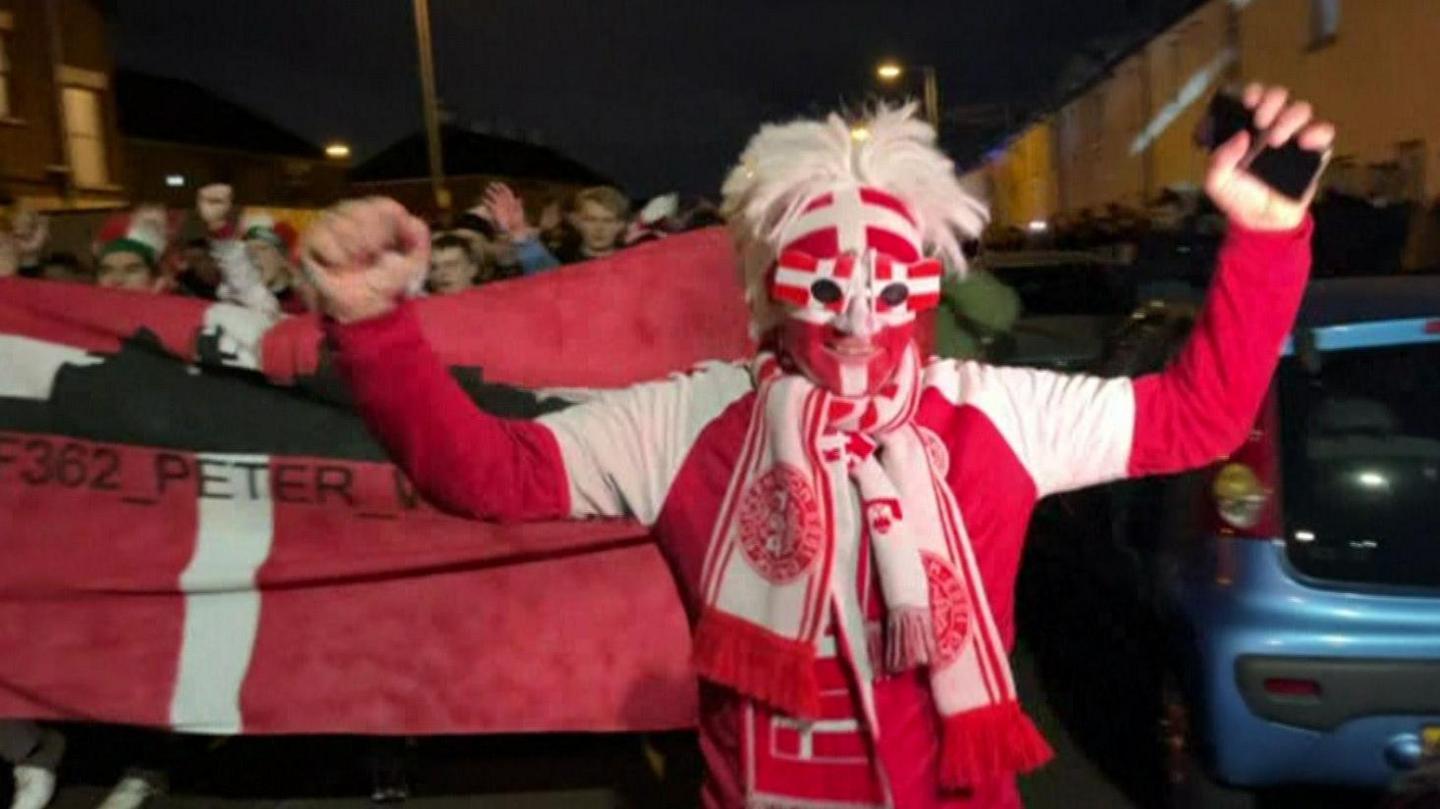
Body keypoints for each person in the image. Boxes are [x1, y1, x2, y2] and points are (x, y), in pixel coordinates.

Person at [303, 85, 1332, 808]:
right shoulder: (689, 419)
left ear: (926, 288)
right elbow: (488, 473)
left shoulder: (993, 412)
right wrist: (375, 329)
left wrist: (1267, 237)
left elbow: (1197, 415)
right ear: (768, 291)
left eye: (888, 290)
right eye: (824, 290)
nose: (855, 326)